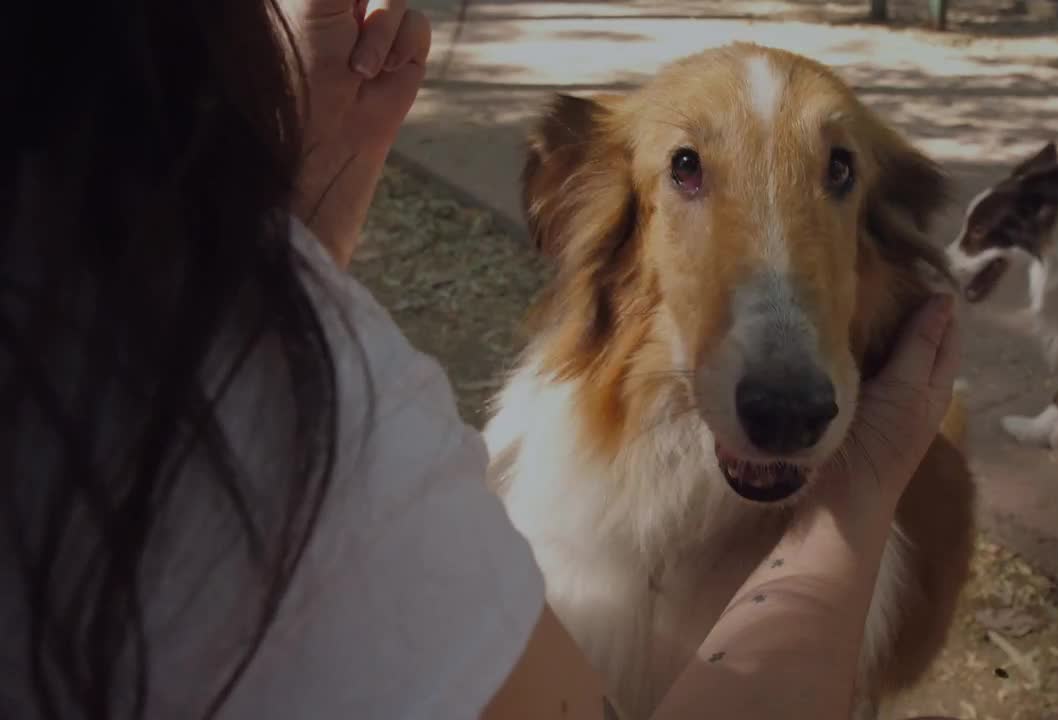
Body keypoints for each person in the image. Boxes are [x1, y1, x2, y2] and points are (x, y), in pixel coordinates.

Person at [1, 0, 959, 718]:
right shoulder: (339, 466)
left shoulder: (105, 319)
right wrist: (854, 503)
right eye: (686, 169)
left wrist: (303, 219)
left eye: (837, 171)